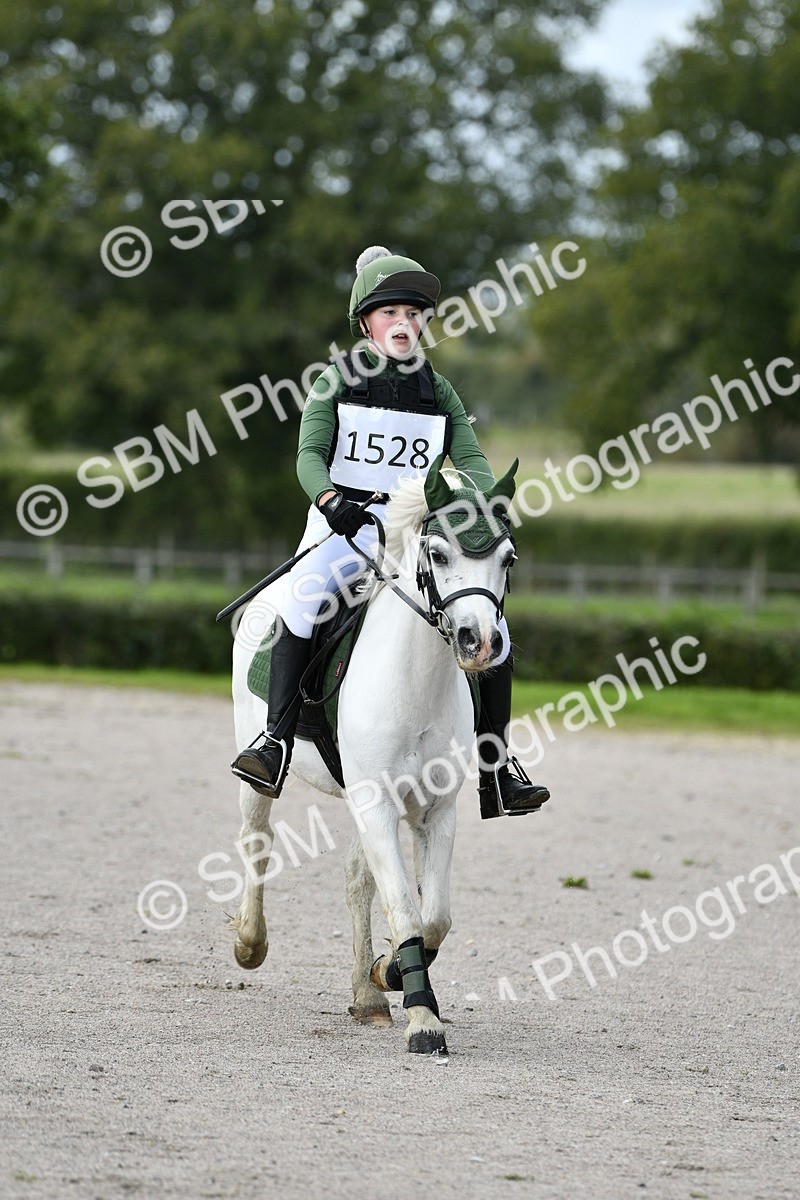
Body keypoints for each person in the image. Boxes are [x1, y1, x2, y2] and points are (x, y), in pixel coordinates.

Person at [231, 246, 550, 820]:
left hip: (411, 537)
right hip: (341, 532)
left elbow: (472, 458)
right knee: (303, 608)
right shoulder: (336, 381)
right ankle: (275, 741)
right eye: (391, 314)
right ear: (365, 323)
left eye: (414, 313)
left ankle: (498, 769)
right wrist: (332, 500)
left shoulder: (439, 391)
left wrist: (481, 501)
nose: (405, 324)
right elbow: (308, 457)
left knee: (488, 625)